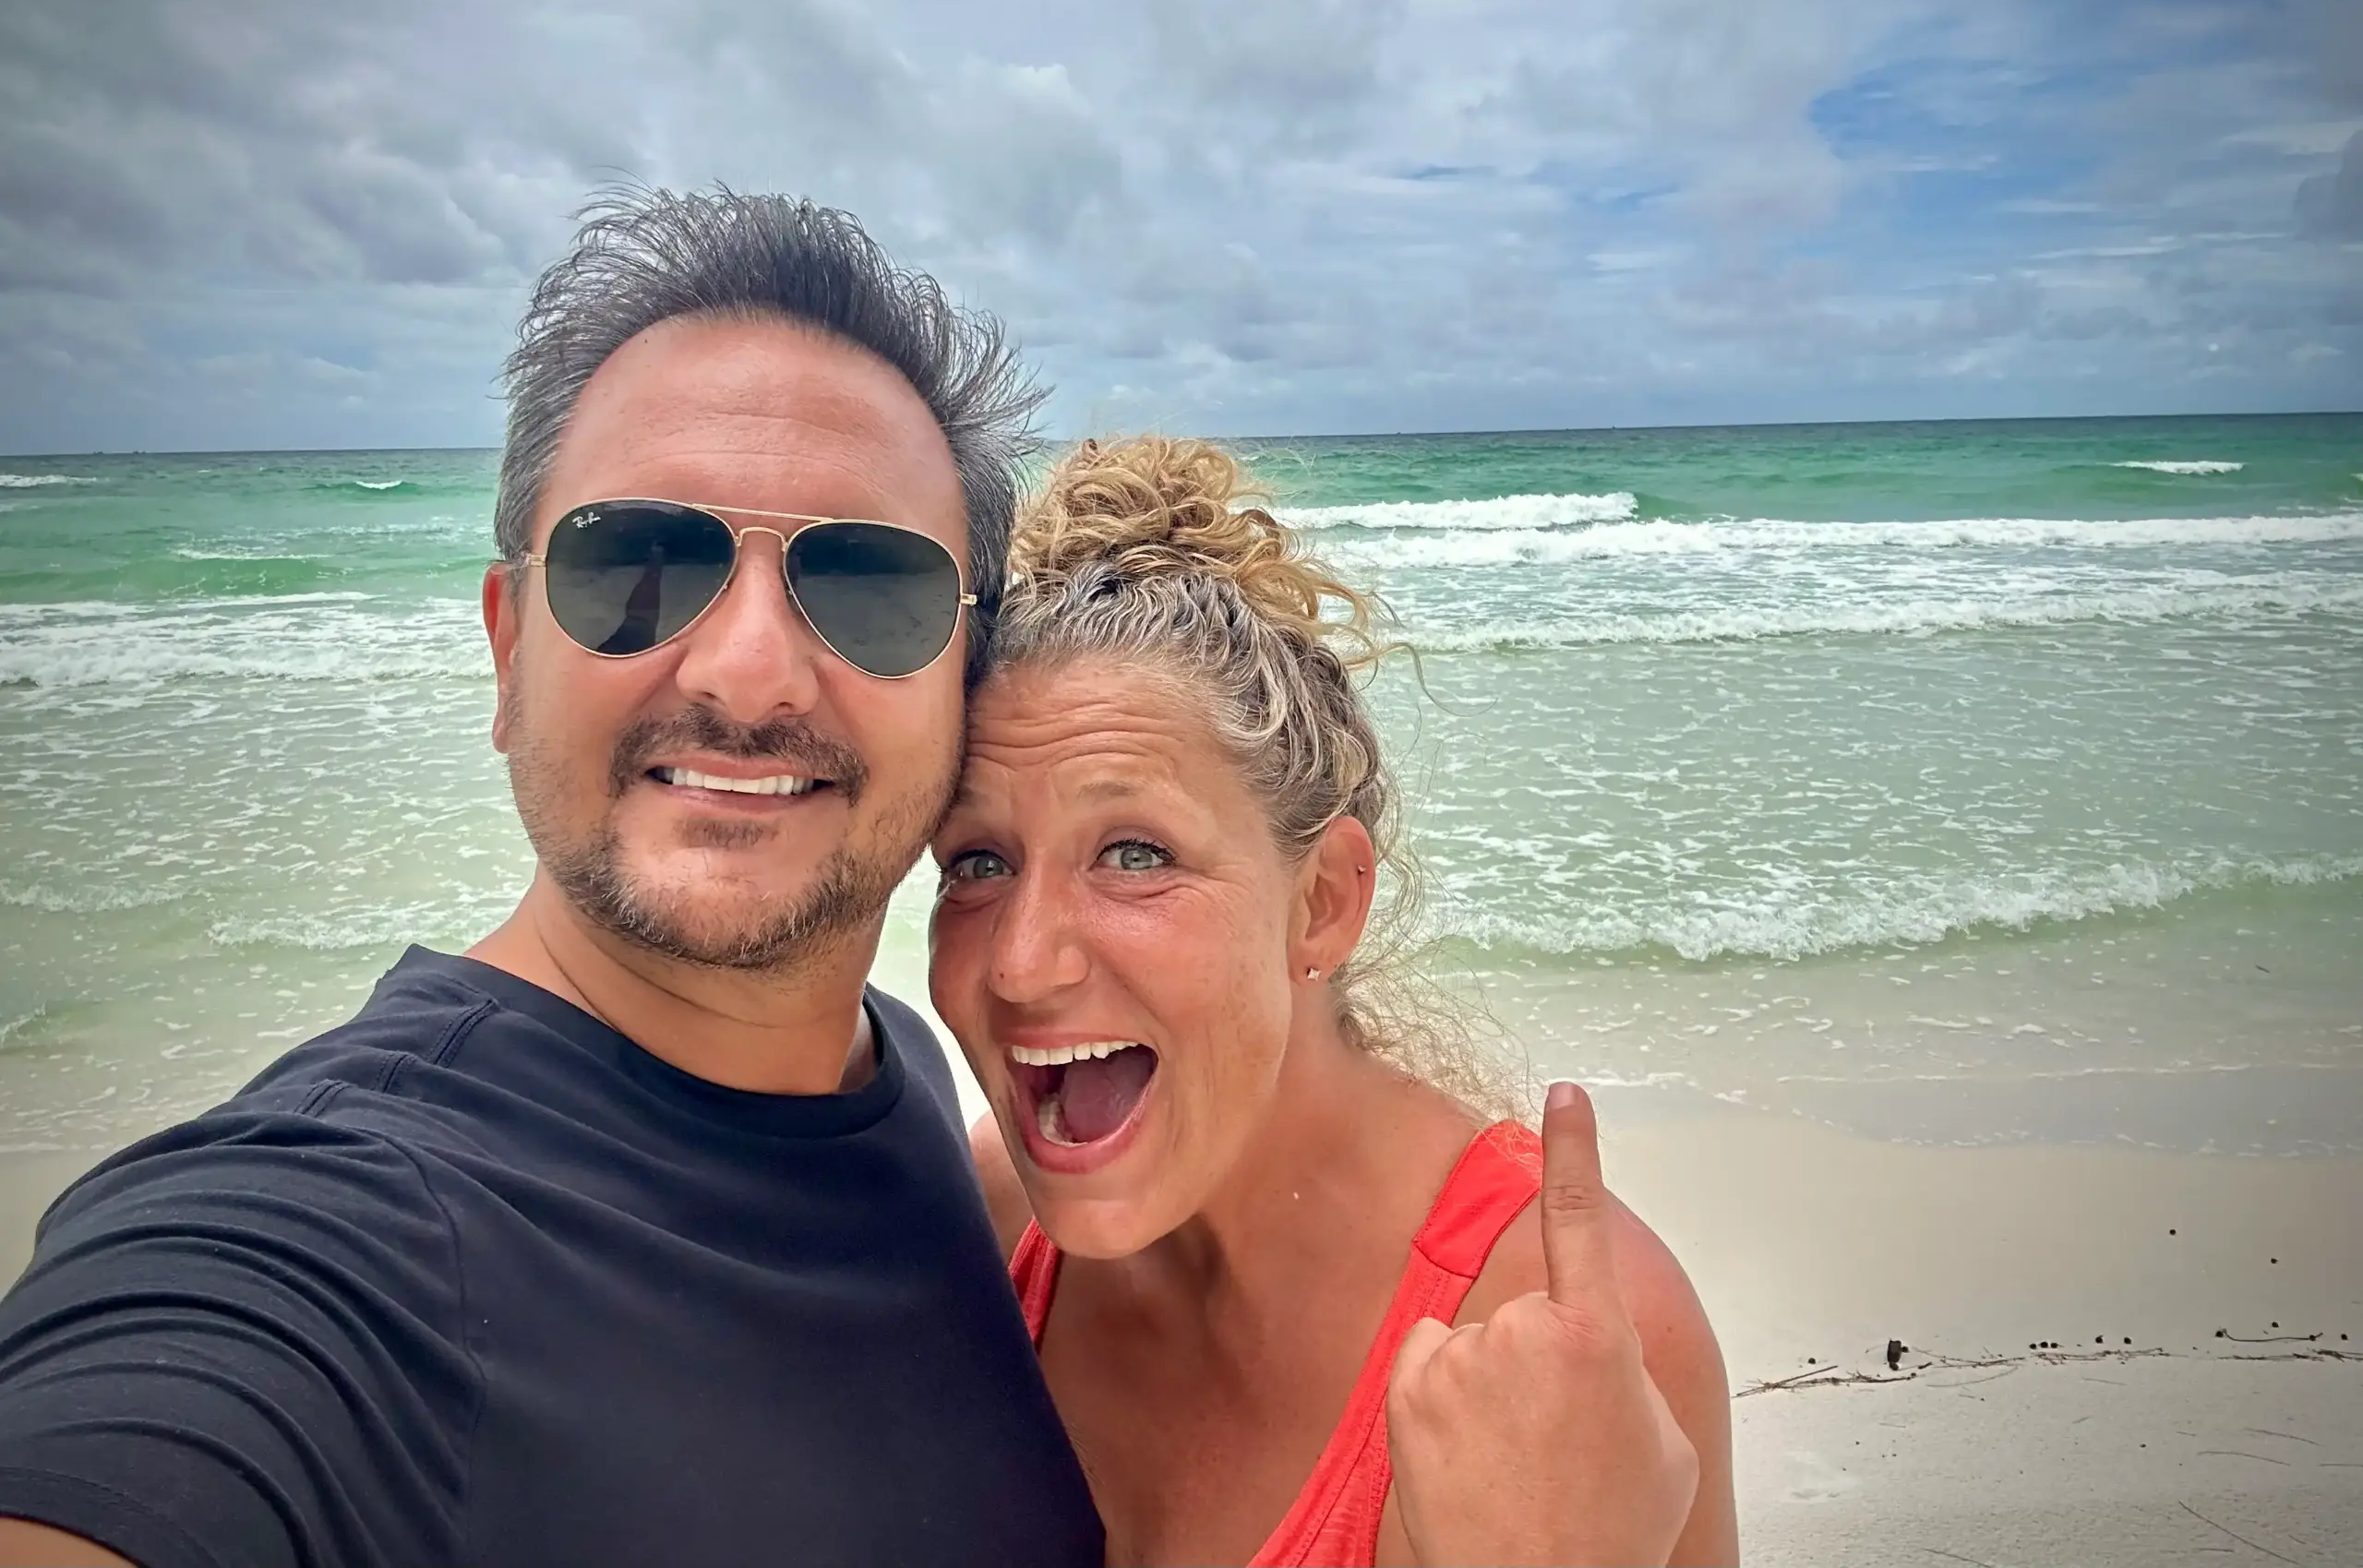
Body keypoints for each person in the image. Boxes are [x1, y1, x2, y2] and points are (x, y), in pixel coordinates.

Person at [0, 190, 1102, 1568]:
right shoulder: (342, 1247)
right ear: (509, 648)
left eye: (871, 585)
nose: (748, 672)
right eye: (639, 564)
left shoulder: (901, 1074)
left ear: (963, 679)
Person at [928, 436, 1738, 1566]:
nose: (1021, 965)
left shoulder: (1561, 1342)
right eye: (976, 863)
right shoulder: (988, 1217)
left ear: (1321, 903)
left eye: (1134, 854)